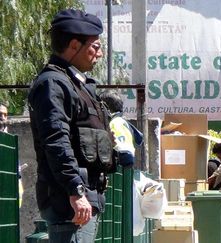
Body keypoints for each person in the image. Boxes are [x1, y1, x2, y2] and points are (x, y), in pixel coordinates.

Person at [28, 9, 114, 242]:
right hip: (69, 202)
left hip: (81, 197)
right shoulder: (53, 84)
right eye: (94, 47)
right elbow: (56, 141)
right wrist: (75, 190)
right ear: (74, 45)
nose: (100, 53)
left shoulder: (73, 83)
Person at [99, 90, 143, 168]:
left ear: (106, 107)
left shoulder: (115, 123)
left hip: (119, 167)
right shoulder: (123, 122)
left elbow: (122, 150)